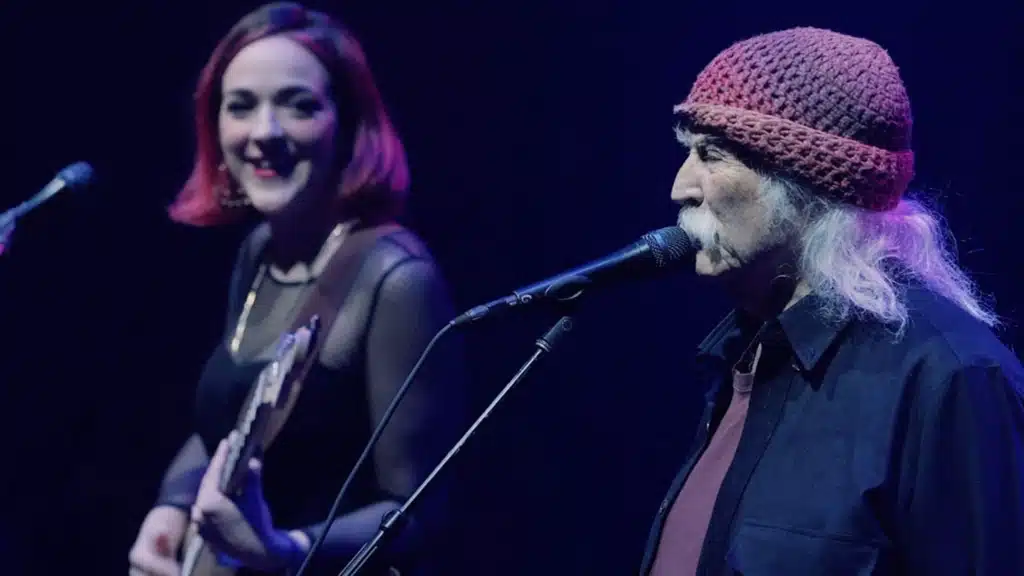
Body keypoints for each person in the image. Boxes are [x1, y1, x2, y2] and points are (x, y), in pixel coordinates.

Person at [640, 27, 1024, 575]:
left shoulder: (950, 377)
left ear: (806, 182)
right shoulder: (746, 352)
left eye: (712, 154)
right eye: (688, 152)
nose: (682, 187)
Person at [128, 3, 466, 575]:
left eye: (299, 105)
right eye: (241, 106)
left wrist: (287, 549)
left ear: (349, 124)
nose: (264, 132)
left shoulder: (397, 280)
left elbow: (417, 512)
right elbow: (226, 420)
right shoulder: (260, 250)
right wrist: (171, 506)